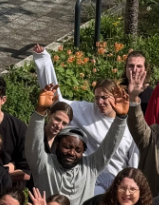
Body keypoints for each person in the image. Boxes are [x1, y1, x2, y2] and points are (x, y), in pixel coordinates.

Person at [33, 44, 138, 193]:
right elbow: (55, 98)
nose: (100, 102)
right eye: (96, 98)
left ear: (115, 96)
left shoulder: (127, 126)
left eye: (104, 97)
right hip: (89, 178)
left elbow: (134, 162)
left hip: (117, 181)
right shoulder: (84, 110)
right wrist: (43, 59)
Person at [26, 83, 129, 205]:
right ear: (57, 144)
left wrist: (120, 118)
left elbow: (109, 147)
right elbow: (34, 144)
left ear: (83, 152)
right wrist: (40, 112)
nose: (71, 153)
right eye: (67, 147)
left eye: (78, 150)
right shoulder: (44, 164)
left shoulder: (90, 167)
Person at [119, 50, 154, 114]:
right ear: (125, 68)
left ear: (145, 69)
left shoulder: (152, 94)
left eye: (139, 66)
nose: (135, 70)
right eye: (131, 66)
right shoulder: (116, 91)